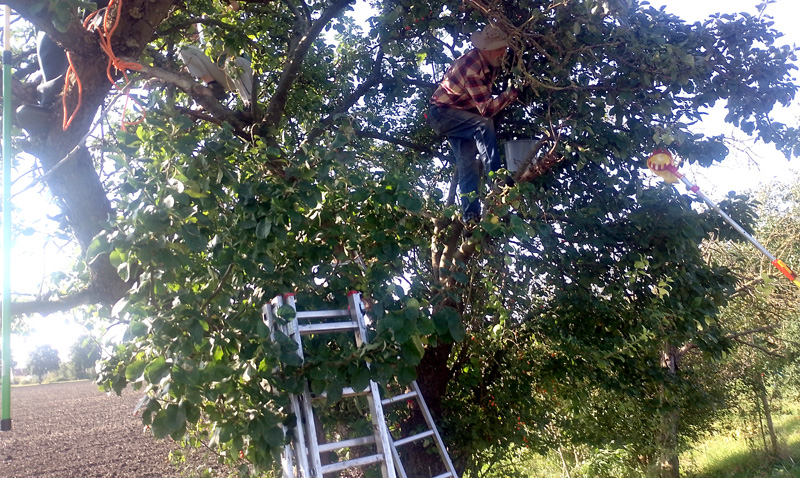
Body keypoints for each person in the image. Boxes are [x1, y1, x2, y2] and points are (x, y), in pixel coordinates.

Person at [428, 25, 518, 224]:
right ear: (486, 49)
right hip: (442, 114)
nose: (504, 52)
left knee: (467, 167)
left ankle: (470, 217)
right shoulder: (473, 67)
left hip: (460, 115)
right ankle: (497, 181)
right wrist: (511, 94)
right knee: (483, 125)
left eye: (504, 48)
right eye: (499, 48)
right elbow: (486, 110)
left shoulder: (489, 64)